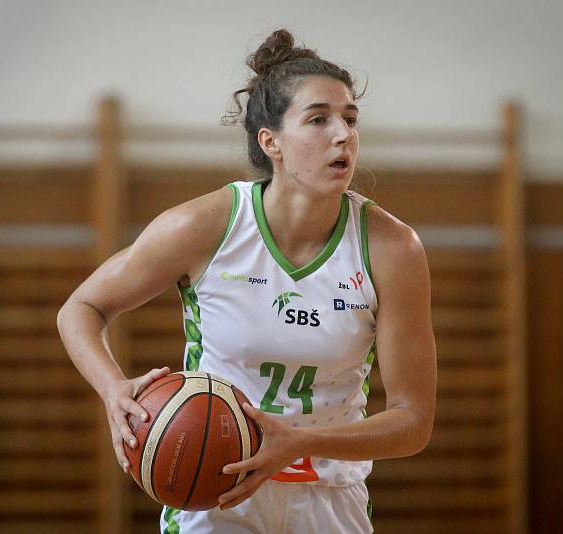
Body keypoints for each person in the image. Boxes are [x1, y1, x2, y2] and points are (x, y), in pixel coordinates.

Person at [57, 28, 436, 534]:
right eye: (319, 119)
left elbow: (413, 422)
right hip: (216, 497)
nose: (343, 134)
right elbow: (80, 308)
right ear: (271, 141)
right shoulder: (206, 226)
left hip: (328, 498)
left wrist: (302, 441)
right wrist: (114, 391)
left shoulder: (392, 249)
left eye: (350, 118)